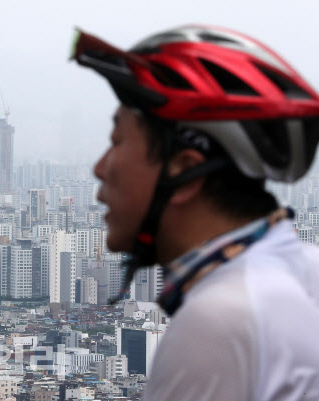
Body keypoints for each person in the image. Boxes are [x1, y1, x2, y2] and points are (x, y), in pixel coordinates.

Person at [71, 25, 319, 400]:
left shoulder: (218, 319)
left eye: (117, 141)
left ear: (184, 171)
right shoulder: (304, 271)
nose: (100, 168)